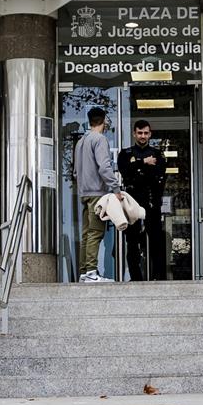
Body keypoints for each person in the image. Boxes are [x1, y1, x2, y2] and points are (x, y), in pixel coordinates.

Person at [74, 105, 122, 283]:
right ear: (103, 120)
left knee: (86, 234)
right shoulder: (99, 139)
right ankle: (92, 272)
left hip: (84, 193)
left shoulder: (81, 141)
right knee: (95, 232)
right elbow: (104, 166)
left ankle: (84, 272)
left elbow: (76, 171)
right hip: (97, 194)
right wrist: (116, 189)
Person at [118, 118, 166, 281]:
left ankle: (158, 277)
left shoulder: (158, 154)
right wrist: (143, 163)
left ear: (150, 134)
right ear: (134, 134)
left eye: (146, 133)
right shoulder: (125, 154)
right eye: (140, 133)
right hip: (132, 201)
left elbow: (160, 176)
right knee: (132, 242)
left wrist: (138, 170)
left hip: (151, 201)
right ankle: (135, 277)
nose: (143, 136)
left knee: (156, 241)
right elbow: (125, 172)